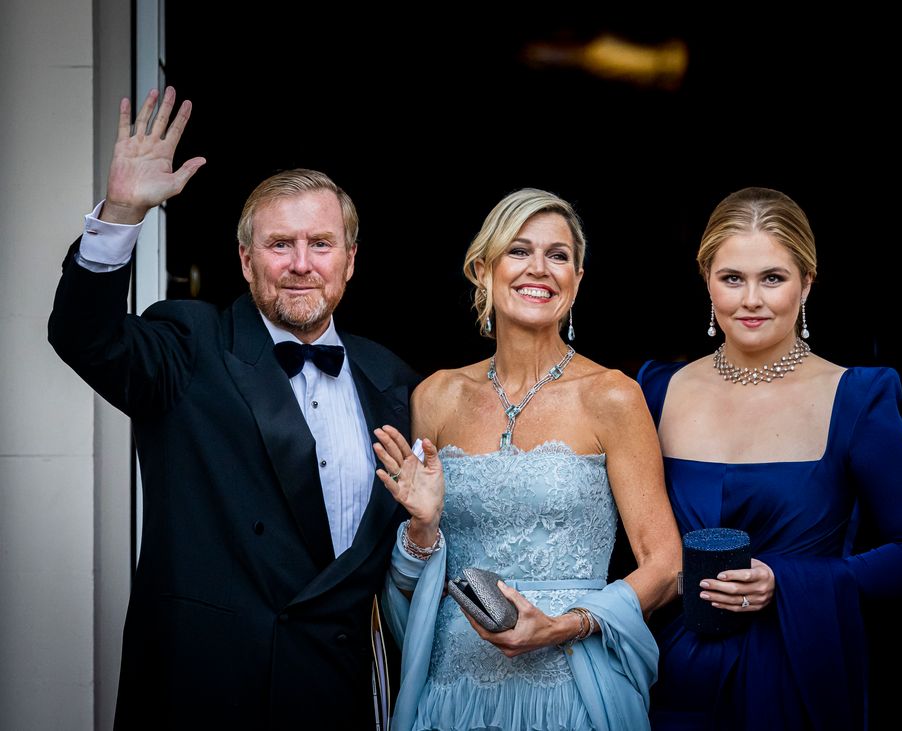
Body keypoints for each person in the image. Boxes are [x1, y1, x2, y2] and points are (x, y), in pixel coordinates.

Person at [48, 87, 419, 728]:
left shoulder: (395, 380)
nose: (301, 265)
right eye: (280, 245)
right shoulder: (190, 345)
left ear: (351, 262)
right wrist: (123, 211)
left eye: (321, 244)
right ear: (246, 261)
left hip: (339, 696)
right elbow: (85, 336)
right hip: (206, 691)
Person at [371, 188, 681, 731]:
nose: (539, 268)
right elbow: (411, 579)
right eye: (518, 250)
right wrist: (422, 528)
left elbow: (666, 564)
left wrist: (563, 626)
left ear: (578, 280)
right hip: (453, 693)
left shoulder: (613, 396)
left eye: (558, 255)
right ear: (482, 269)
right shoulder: (436, 397)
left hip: (572, 691)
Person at [636, 186, 902, 730]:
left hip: (796, 674)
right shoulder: (654, 391)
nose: (750, 299)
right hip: (668, 676)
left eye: (772, 278)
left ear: (807, 283)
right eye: (732, 278)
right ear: (707, 280)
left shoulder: (859, 398)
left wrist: (786, 578)